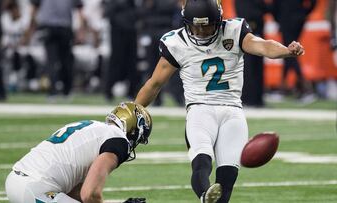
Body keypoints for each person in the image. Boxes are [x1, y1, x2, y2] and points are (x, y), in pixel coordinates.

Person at [134, 0, 304, 202]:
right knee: (201, 161)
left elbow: (262, 46)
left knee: (228, 176)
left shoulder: (234, 30)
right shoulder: (176, 43)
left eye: (207, 25)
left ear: (219, 20)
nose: (202, 32)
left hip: (232, 110)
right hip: (200, 110)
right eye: (196, 26)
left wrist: (286, 50)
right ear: (186, 22)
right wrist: (133, 110)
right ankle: (206, 195)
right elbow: (154, 84)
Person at [5, 102, 152, 203]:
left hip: (17, 181)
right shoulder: (118, 141)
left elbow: (76, 195)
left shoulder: (94, 127)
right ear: (135, 129)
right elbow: (89, 195)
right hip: (36, 187)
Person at [24, 0, 87, 98]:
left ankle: (53, 91)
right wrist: (81, 29)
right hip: (64, 27)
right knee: (65, 61)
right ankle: (66, 90)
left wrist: (30, 27)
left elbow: (34, 9)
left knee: (51, 60)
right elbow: (80, 11)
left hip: (49, 26)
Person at [272, 0, 316, 101]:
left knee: (289, 52)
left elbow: (274, 5)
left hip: (286, 18)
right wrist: (304, 13)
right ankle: (284, 87)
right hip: (297, 18)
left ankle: (305, 88)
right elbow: (313, 3)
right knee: (289, 52)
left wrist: (277, 18)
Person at [235, 0, 268, 107]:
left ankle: (257, 99)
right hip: (249, 30)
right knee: (249, 67)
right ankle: (249, 98)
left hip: (257, 28)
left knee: (257, 67)